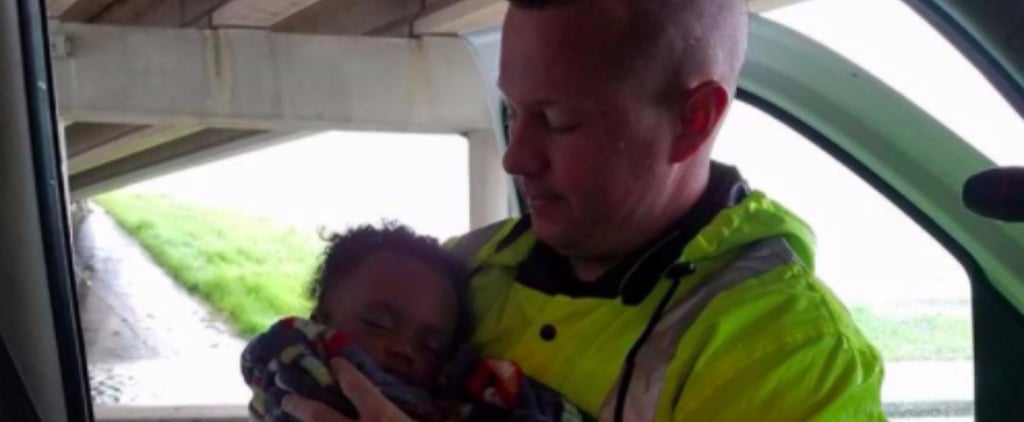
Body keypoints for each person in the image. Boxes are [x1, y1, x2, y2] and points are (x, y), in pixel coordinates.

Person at [282, 0, 886, 420]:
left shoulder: (788, 351)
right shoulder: (462, 269)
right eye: (514, 114)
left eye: (558, 122)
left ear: (693, 120)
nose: (515, 158)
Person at [244, 223, 592, 421]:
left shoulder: (462, 398)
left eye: (431, 347)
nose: (404, 350)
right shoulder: (289, 376)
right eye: (378, 323)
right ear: (321, 321)